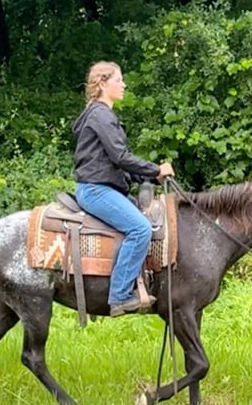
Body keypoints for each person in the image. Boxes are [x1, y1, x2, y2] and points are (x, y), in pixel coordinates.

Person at [72, 61, 175, 317]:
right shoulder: (101, 115)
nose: (124, 84)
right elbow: (120, 156)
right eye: (119, 80)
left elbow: (115, 162)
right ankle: (118, 296)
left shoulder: (100, 114)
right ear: (103, 84)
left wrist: (147, 178)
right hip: (96, 190)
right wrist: (155, 170)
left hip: (104, 187)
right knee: (140, 229)